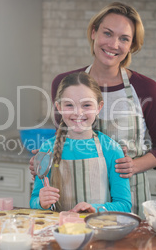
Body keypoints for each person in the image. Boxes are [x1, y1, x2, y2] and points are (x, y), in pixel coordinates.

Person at [30, 2, 156, 218]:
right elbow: (66, 133)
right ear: (94, 32)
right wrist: (44, 159)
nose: (114, 44)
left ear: (131, 45)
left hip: (126, 199)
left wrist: (132, 166)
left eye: (124, 38)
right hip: (74, 203)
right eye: (108, 33)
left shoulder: (145, 88)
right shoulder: (65, 83)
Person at [30, 72, 132, 213]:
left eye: (86, 105)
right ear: (59, 107)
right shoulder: (47, 148)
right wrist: (41, 202)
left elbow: (124, 205)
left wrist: (95, 209)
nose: (78, 112)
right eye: (69, 105)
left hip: (98, 231)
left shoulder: (111, 149)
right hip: (59, 232)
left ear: (99, 107)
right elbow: (34, 200)